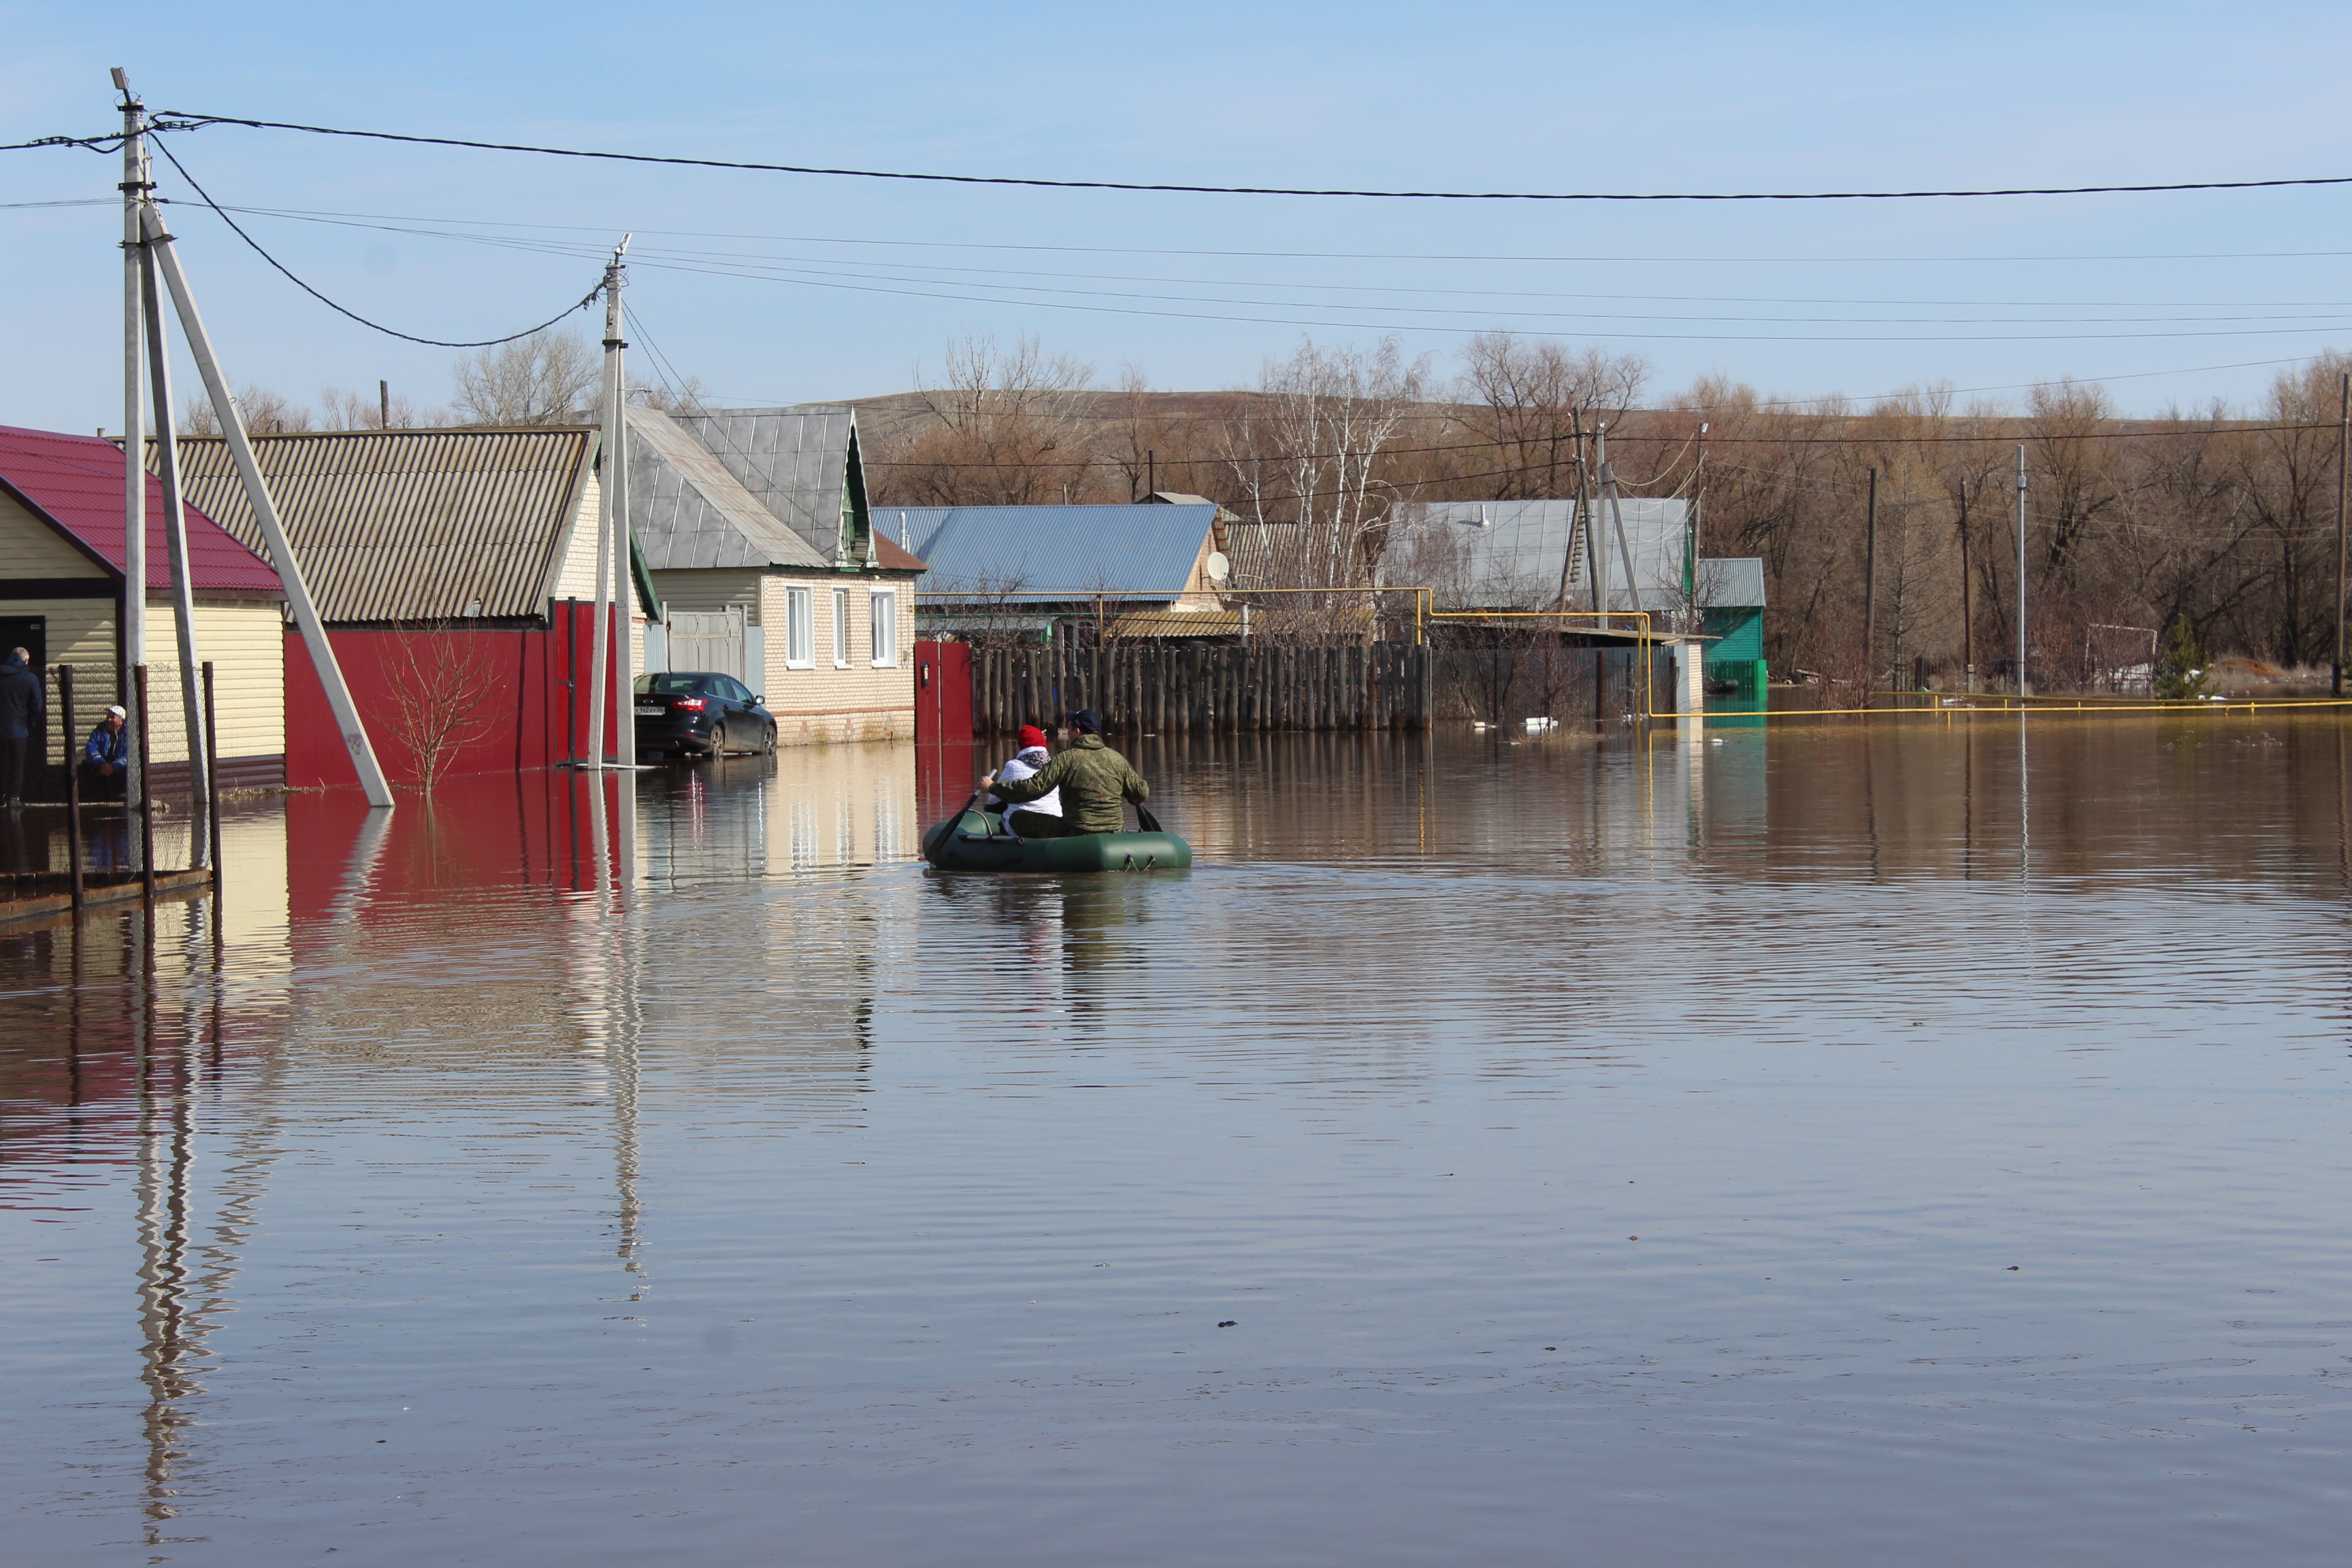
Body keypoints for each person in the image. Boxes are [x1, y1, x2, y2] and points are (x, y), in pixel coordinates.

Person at [983, 708, 1148, 837]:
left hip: (1076, 832)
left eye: (1069, 730)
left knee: (1017, 818)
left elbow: (1033, 789)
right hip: (1114, 831)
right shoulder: (1117, 759)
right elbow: (1140, 794)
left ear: (1077, 732)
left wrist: (994, 788)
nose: (1068, 734)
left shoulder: (1066, 759)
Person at [988, 723, 1061, 836]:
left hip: (1021, 827)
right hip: (1053, 825)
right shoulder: (1054, 766)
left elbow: (994, 799)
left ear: (1021, 746)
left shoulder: (1013, 766)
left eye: (1016, 743)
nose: (1015, 747)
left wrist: (989, 786)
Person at [0, 647, 41, 808]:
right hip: (18, 728)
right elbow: (37, 705)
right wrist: (29, 723)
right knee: (17, 764)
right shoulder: (30, 678)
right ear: (26, 660)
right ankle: (13, 798)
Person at [82, 705, 131, 801]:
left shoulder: (128, 733)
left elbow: (129, 754)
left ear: (122, 721)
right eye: (108, 716)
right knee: (85, 765)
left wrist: (115, 766)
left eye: (113, 717)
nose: (108, 719)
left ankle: (120, 794)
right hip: (103, 764)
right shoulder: (100, 730)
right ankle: (97, 794)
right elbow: (91, 748)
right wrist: (101, 763)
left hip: (118, 766)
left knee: (127, 770)